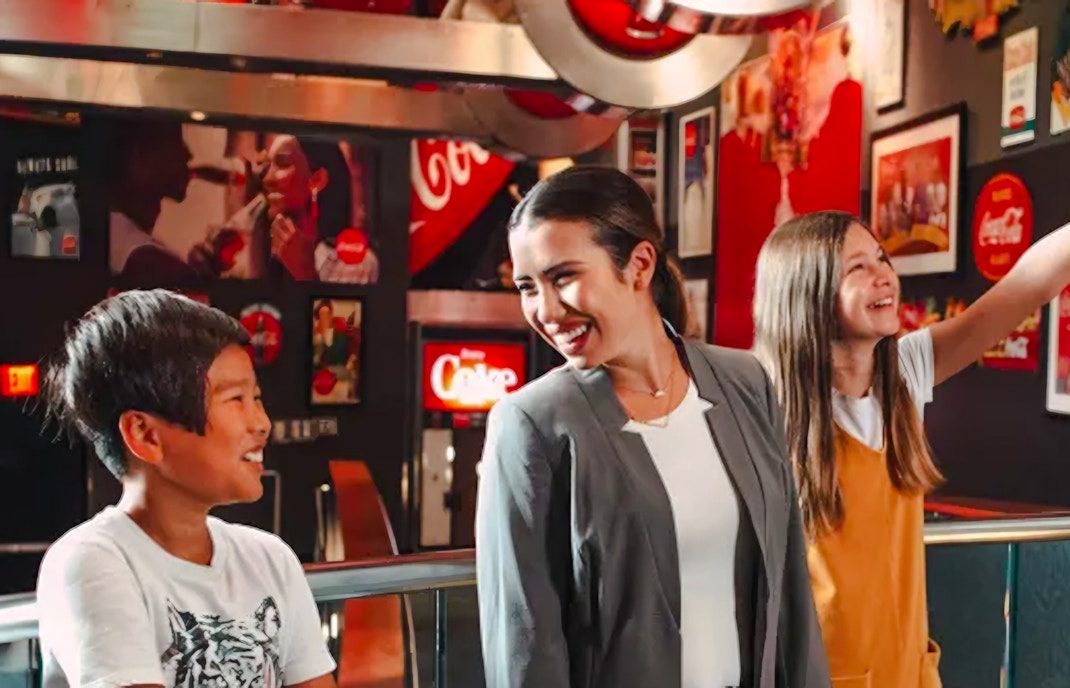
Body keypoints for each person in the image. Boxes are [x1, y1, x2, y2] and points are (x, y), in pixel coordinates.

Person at [475, 166, 831, 688]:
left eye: (563, 277)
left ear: (639, 265)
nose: (545, 311)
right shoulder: (531, 423)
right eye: (528, 286)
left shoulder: (746, 381)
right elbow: (526, 640)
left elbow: (792, 589)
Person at [752, 210, 1070, 687]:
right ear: (805, 294)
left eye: (881, 257)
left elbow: (1026, 285)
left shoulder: (903, 373)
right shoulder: (763, 409)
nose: (883, 274)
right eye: (857, 267)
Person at [36, 290, 338, 688]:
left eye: (257, 398)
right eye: (236, 400)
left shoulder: (270, 560)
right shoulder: (91, 563)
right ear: (145, 434)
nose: (262, 423)